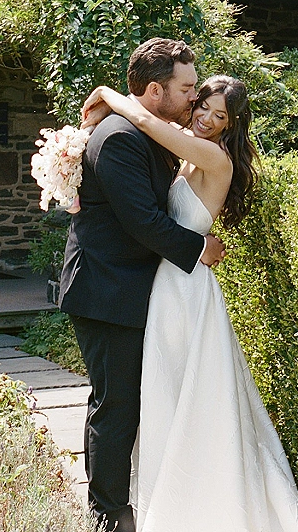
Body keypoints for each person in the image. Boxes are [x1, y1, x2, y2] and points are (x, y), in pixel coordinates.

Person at [81, 74, 298, 532]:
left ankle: (197, 498)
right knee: (164, 389)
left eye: (219, 115)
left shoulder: (212, 156)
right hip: (165, 284)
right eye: (202, 105)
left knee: (190, 391)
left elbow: (148, 123)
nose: (206, 117)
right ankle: (160, 491)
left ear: (232, 124)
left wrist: (111, 95)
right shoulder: (187, 149)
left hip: (187, 289)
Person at [58, 38, 226, 532]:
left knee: (127, 402)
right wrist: (199, 250)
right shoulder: (119, 138)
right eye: (187, 88)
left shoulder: (145, 129)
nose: (195, 99)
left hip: (130, 289)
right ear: (155, 90)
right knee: (116, 406)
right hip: (106, 291)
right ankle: (108, 515)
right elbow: (144, 221)